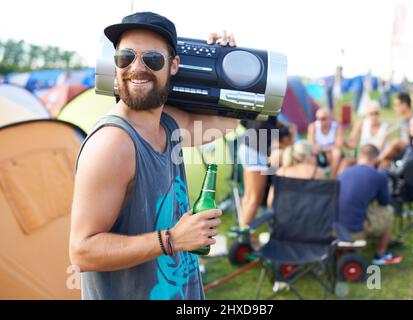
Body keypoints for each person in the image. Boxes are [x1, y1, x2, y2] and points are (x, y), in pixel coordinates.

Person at [69, 12, 239, 300]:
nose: (136, 68)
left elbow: (229, 122)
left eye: (152, 59)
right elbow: (82, 252)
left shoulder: (169, 126)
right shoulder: (113, 144)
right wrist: (172, 240)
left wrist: (222, 62)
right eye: (126, 57)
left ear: (173, 65)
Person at [338, 144, 402, 265]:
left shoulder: (343, 173)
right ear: (376, 160)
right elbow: (384, 202)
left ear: (359, 157)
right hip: (352, 232)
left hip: (333, 229)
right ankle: (380, 254)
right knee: (388, 211)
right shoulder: (379, 176)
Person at [238, 118, 293, 227]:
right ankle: (244, 237)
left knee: (249, 196)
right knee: (254, 198)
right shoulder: (270, 107)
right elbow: (263, 127)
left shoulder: (258, 106)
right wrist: (285, 129)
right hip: (255, 151)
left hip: (248, 148)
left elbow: (244, 122)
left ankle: (243, 232)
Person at [267, 141, 324, 208]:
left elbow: (270, 202)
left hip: (285, 214)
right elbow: (321, 201)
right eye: (314, 155)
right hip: (310, 214)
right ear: (308, 156)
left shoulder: (281, 172)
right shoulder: (317, 172)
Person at [378, 93, 413, 168]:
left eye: (397, 105)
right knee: (384, 163)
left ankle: (375, 160)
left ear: (404, 105)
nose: (395, 108)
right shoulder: (403, 121)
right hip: (403, 152)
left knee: (396, 142)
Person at [307, 107, 344, 178]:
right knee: (310, 155)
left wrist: (321, 148)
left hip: (330, 153)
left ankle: (332, 178)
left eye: (323, 119)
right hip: (320, 153)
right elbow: (311, 145)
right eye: (318, 118)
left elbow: (339, 145)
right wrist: (330, 148)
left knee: (337, 153)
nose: (320, 121)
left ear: (330, 118)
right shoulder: (313, 126)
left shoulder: (336, 126)